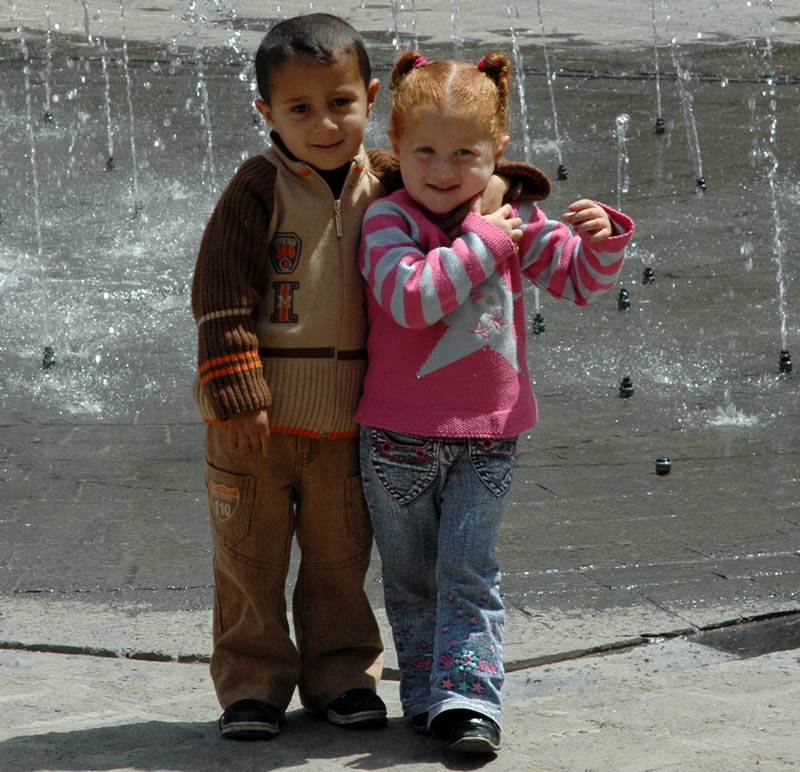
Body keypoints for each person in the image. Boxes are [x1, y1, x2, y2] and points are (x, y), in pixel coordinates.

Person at [191, 15, 543, 742]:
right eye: (300, 109)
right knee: (251, 557)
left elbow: (463, 179)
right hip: (257, 417)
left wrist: (505, 183)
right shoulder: (257, 188)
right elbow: (220, 295)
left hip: (348, 420)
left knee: (339, 555)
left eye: (341, 104)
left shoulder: (384, 180)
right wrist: (237, 393)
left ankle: (342, 677)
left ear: (371, 97)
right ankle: (252, 686)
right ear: (267, 114)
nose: (324, 123)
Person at [356, 51, 635, 754]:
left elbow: (577, 281)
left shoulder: (515, 219)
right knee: (414, 581)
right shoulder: (387, 221)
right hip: (397, 438)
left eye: (465, 154)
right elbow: (412, 299)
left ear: (498, 151)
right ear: (396, 143)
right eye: (425, 151)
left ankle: (469, 702)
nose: (444, 170)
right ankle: (425, 694)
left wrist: (602, 241)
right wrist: (484, 240)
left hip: (488, 437)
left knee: (470, 574)